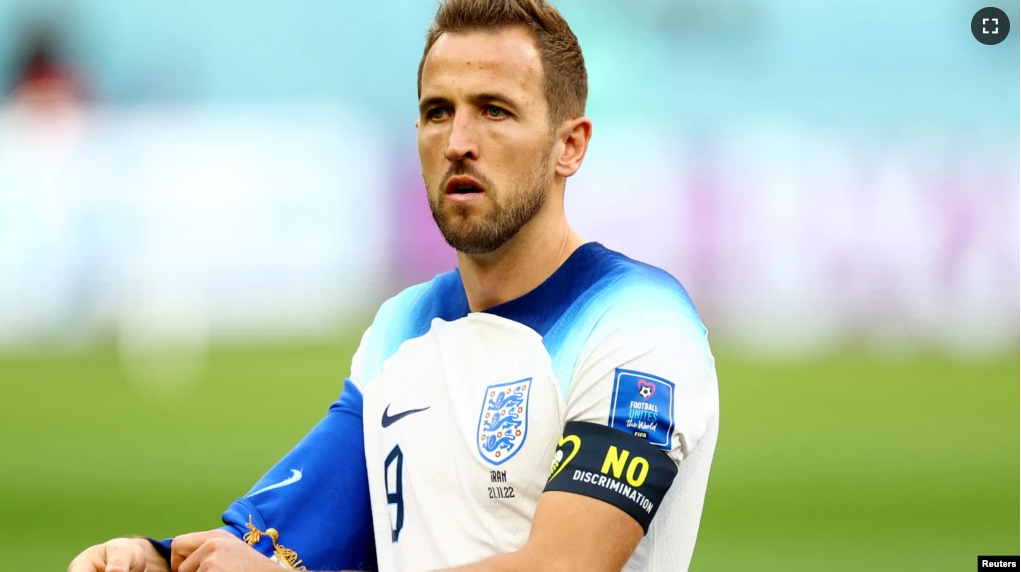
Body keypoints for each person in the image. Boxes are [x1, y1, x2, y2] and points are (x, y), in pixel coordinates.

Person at [67, 0, 719, 570]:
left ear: (568, 145)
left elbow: (563, 567)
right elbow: (283, 537)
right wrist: (156, 558)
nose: (458, 140)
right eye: (438, 112)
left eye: (494, 110)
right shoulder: (403, 327)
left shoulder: (637, 326)